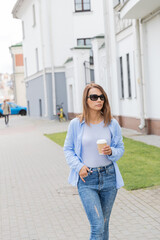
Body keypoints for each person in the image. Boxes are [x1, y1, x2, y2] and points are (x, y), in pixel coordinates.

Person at [64, 83, 124, 240]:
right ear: (86, 100)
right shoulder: (76, 124)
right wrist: (79, 166)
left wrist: (112, 151)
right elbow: (68, 149)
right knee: (97, 225)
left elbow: (120, 149)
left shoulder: (112, 123)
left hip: (109, 177)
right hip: (87, 179)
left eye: (101, 97)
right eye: (94, 97)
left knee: (104, 223)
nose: (99, 100)